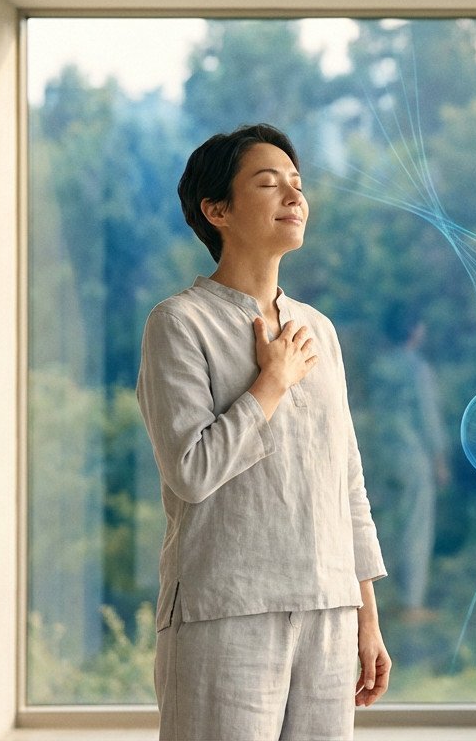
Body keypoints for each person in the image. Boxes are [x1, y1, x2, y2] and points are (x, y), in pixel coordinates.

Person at [136, 123, 391, 741]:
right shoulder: (179, 324)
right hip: (225, 610)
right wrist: (271, 383)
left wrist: (367, 616)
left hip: (329, 612)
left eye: (298, 185)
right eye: (269, 183)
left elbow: (346, 481)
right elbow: (191, 472)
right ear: (216, 209)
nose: (294, 197)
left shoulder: (318, 330)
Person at [366, 304, 448, 622]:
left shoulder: (379, 367)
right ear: (414, 331)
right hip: (412, 455)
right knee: (415, 526)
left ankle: (377, 598)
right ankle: (411, 603)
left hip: (382, 454)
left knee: (384, 526)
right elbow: (428, 419)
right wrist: (439, 460)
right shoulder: (417, 369)